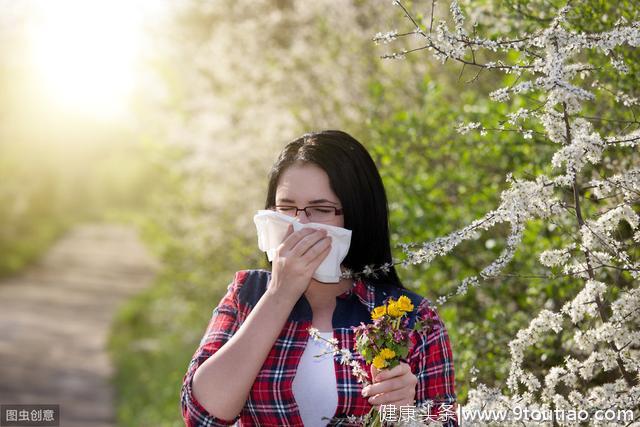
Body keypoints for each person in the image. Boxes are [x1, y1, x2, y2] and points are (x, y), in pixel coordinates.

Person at [180, 130, 457, 426]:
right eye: (286, 208)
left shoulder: (411, 317)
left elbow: (443, 420)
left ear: (357, 215)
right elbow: (201, 416)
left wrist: (404, 409)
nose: (299, 224)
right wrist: (280, 293)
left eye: (320, 209)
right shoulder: (246, 294)